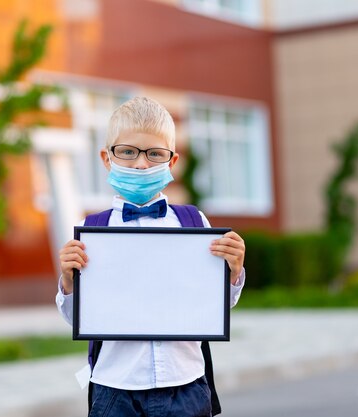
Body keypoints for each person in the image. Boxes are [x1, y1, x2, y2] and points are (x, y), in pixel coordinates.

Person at [56, 96, 246, 417]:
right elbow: (79, 320)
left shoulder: (193, 222)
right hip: (114, 387)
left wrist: (234, 273)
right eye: (128, 152)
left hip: (184, 383)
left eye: (155, 154)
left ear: (172, 162)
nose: (141, 164)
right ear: (107, 158)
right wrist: (67, 282)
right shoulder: (92, 231)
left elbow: (216, 306)